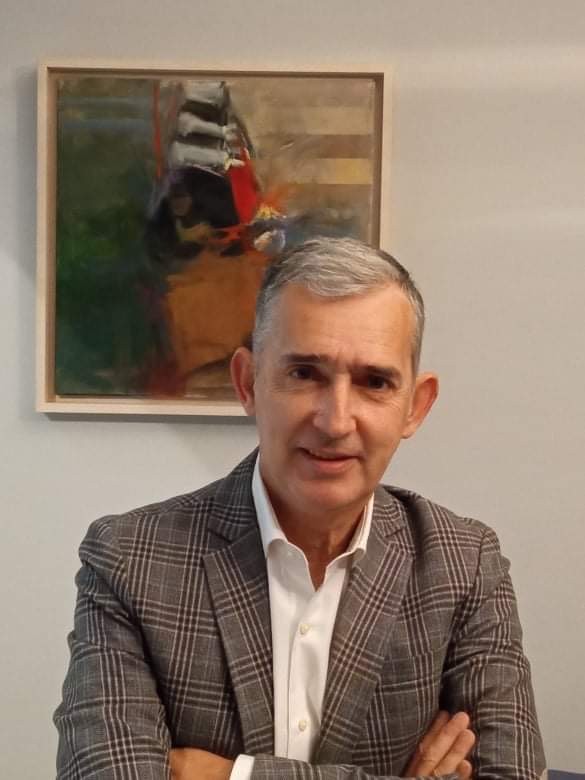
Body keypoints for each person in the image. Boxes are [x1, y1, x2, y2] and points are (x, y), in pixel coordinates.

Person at [55, 237, 546, 779]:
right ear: (247, 383)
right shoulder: (129, 559)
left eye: (374, 382)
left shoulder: (464, 564)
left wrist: (233, 775)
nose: (335, 421)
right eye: (305, 374)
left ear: (415, 406)